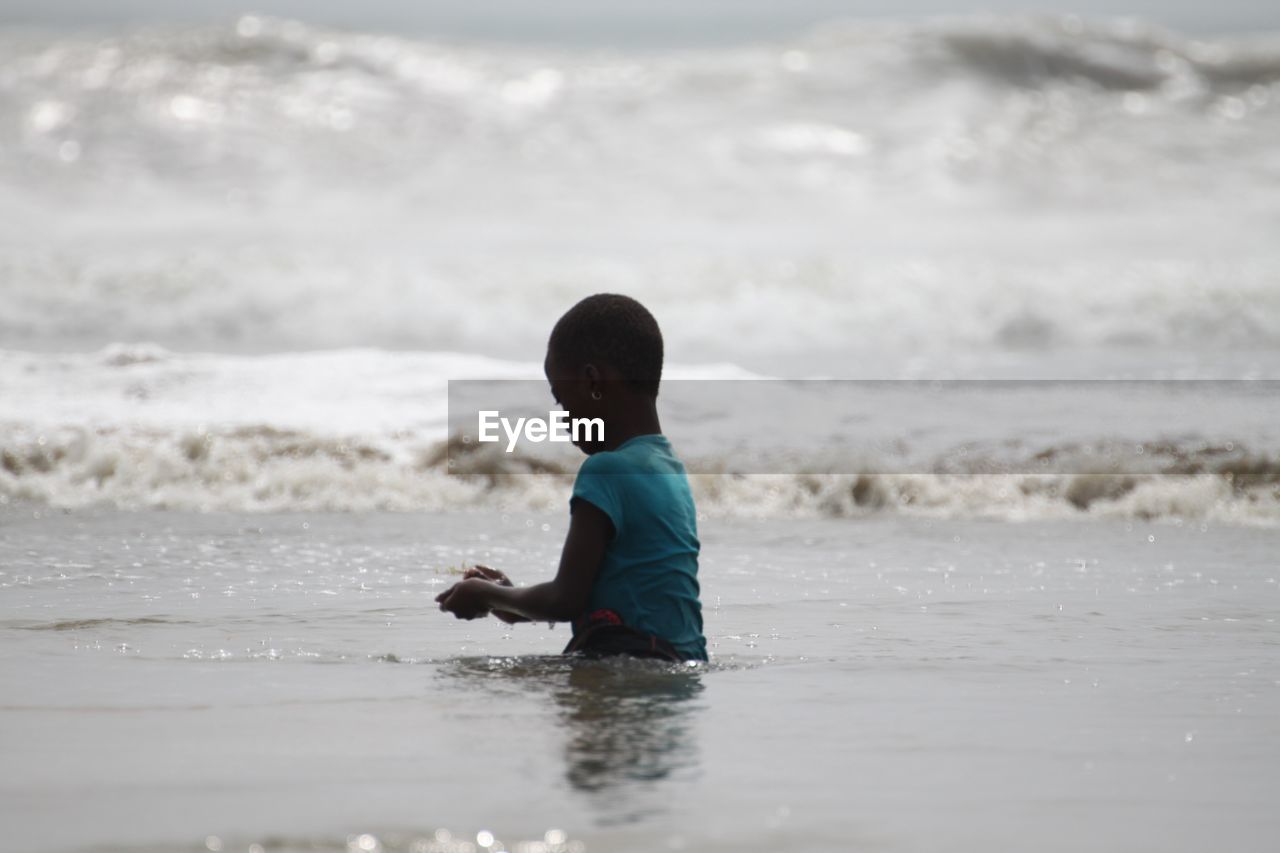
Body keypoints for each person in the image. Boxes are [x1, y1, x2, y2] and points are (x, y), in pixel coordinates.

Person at [435, 294, 707, 662]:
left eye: (562, 399)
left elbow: (565, 600)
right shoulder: (669, 469)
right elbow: (598, 596)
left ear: (593, 382)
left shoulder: (605, 470)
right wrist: (509, 597)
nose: (563, 418)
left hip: (631, 658)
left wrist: (486, 595)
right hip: (680, 663)